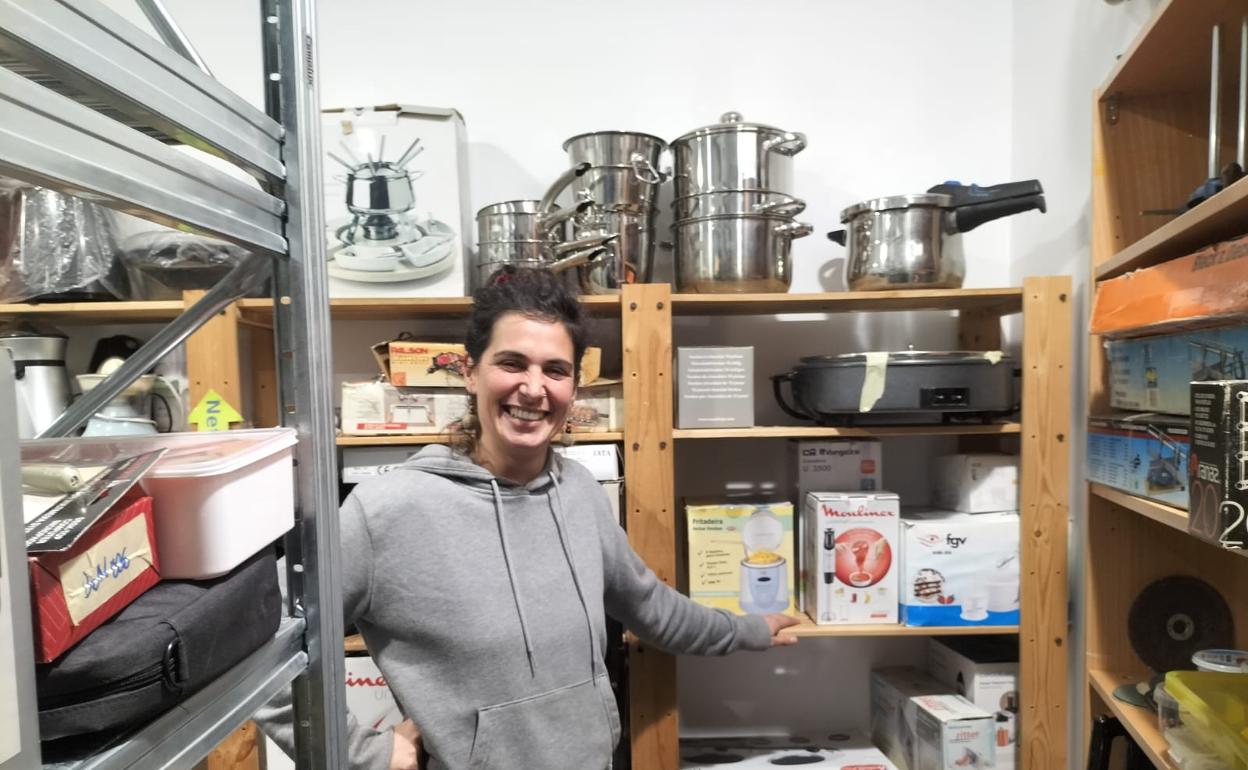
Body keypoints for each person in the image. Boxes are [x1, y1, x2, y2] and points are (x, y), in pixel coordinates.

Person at [260, 267, 799, 770]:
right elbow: (263, 648)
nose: (534, 389)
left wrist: (749, 630)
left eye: (555, 370)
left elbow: (652, 608)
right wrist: (365, 755)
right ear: (470, 373)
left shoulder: (581, 493)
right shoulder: (388, 511)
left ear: (573, 388)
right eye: (512, 363)